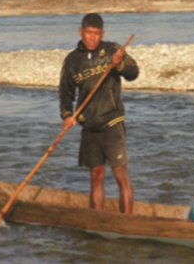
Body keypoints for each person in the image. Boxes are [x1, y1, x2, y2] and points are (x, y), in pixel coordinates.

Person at [59, 13, 139, 214]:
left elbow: (133, 73)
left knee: (120, 174)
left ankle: (128, 221)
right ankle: (98, 219)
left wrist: (119, 64)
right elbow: (65, 92)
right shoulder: (72, 60)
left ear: (102, 33)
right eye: (88, 33)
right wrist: (68, 115)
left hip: (112, 121)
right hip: (89, 125)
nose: (92, 38)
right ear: (81, 32)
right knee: (96, 175)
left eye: (96, 33)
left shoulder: (112, 50)